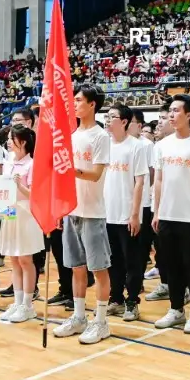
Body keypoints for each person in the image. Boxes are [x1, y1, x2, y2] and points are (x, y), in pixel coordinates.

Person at [151, 95, 190, 334]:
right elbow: (158, 180)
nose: (171, 114)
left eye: (177, 110)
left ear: (189, 115)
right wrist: (157, 211)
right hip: (167, 215)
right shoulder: (162, 145)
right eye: (170, 110)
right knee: (172, 266)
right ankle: (176, 309)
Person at [55, 86, 114, 344]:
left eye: (79, 100)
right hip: (72, 211)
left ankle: (101, 322)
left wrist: (71, 170)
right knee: (76, 267)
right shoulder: (70, 135)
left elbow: (96, 174)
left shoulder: (100, 136)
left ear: (92, 104)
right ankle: (79, 317)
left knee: (98, 269)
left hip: (92, 212)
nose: (74, 104)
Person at [104, 105, 151, 322]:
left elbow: (140, 182)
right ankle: (116, 299)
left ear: (124, 122)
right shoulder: (104, 145)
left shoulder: (136, 146)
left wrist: (135, 214)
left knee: (132, 261)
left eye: (112, 117)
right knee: (112, 261)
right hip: (107, 213)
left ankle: (132, 301)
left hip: (127, 214)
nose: (107, 120)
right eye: (106, 116)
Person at [0, 126, 45, 323]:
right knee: (14, 260)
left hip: (26, 213)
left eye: (12, 138)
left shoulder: (32, 164)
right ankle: (17, 303)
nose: (8, 141)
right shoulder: (8, 161)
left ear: (23, 142)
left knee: (25, 260)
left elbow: (35, 195)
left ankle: (27, 305)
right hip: (9, 211)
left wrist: (19, 185)